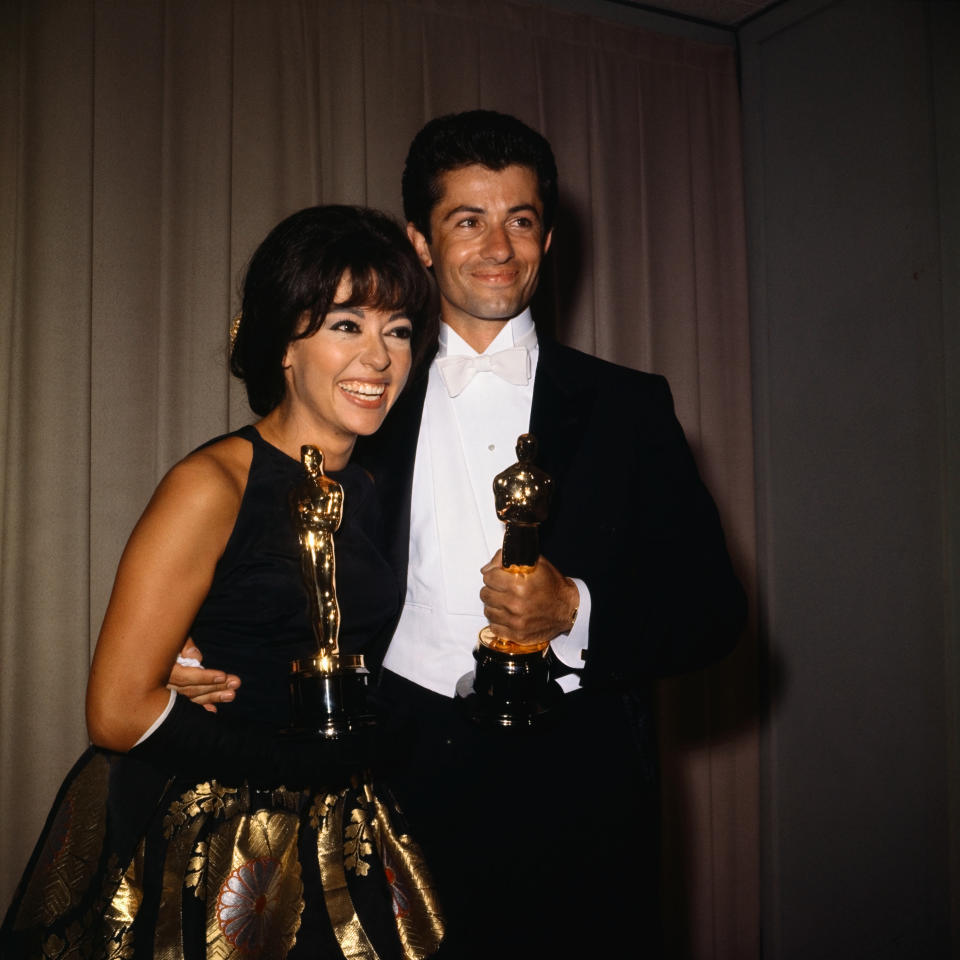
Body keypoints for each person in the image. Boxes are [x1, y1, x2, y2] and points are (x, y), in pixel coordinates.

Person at [178, 111, 747, 957]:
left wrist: (576, 609)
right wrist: (200, 634)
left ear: (548, 239)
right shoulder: (364, 395)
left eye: (520, 220)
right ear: (420, 241)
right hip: (388, 785)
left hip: (582, 789)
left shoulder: (631, 406)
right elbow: (267, 515)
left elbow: (714, 611)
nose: (498, 247)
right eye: (467, 221)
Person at [0, 205, 444, 959]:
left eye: (397, 330)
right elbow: (113, 710)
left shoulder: (374, 488)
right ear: (283, 347)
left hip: (350, 831)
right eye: (346, 324)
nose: (379, 357)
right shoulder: (210, 485)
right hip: (209, 842)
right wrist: (293, 766)